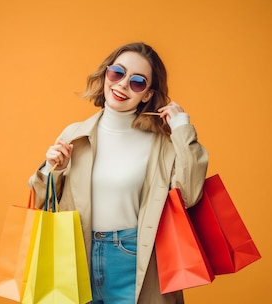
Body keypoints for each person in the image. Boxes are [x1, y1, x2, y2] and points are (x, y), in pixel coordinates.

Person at [28, 42, 208, 303]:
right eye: (117, 73)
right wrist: (53, 169)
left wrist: (182, 130)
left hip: (134, 259)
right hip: (77, 255)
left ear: (147, 94)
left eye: (137, 82)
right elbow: (42, 199)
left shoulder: (162, 144)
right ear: (106, 75)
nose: (123, 84)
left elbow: (190, 196)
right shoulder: (75, 135)